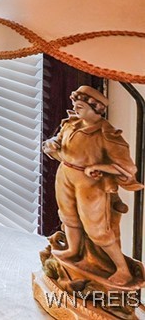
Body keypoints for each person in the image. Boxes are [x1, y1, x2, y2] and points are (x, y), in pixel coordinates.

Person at [42, 86, 144, 287]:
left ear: (96, 108)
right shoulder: (71, 124)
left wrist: (99, 166)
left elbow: (128, 167)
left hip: (89, 185)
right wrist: (52, 144)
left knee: (97, 228)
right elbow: (58, 141)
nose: (75, 109)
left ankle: (122, 268)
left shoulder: (106, 134)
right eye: (75, 105)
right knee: (69, 217)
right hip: (65, 175)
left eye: (80, 106)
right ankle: (73, 250)